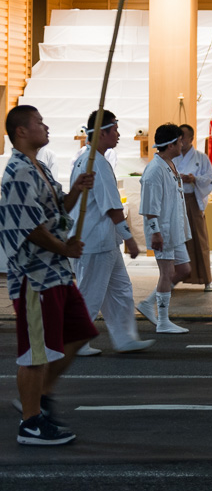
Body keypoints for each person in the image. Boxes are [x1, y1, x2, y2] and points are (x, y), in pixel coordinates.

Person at [0, 105, 95, 446]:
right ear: (22, 131)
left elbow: (55, 212)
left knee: (81, 330)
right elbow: (29, 228)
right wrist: (63, 248)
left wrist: (76, 191)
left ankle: (40, 395)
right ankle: (30, 422)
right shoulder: (18, 173)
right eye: (39, 122)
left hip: (56, 272)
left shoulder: (37, 167)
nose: (46, 126)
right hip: (35, 276)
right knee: (35, 352)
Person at [70, 110, 153, 356]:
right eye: (114, 130)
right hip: (94, 241)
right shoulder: (94, 163)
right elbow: (113, 208)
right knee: (91, 292)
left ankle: (124, 337)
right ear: (102, 133)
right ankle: (78, 341)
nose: (118, 135)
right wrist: (131, 239)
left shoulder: (91, 159)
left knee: (121, 291)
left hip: (104, 241)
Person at [136, 124, 192, 334]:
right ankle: (163, 321)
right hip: (163, 229)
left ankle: (148, 303)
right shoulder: (154, 170)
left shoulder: (168, 163)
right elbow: (150, 207)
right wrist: (155, 231)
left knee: (184, 269)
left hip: (174, 228)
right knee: (167, 272)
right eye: (179, 141)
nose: (182, 144)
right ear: (170, 145)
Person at [173, 124, 212, 291]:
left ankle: (206, 279)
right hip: (176, 201)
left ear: (191, 138)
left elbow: (210, 178)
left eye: (183, 137)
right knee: (177, 241)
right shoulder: (173, 157)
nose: (181, 140)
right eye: (179, 137)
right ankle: (174, 278)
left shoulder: (201, 157)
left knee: (199, 239)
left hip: (193, 200)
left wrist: (195, 178)